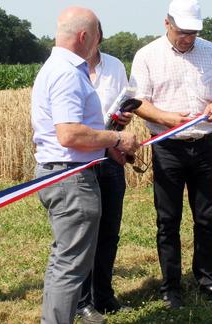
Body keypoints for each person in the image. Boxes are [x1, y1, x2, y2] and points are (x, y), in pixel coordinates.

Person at [31, 6, 140, 324]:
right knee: (70, 265)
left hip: (63, 175)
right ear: (84, 37)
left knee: (63, 259)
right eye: (95, 36)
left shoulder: (57, 67)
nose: (97, 43)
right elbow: (69, 133)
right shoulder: (67, 73)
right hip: (71, 179)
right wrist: (116, 139)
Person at [129, 0, 212, 308]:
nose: (188, 38)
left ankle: (207, 281)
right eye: (182, 32)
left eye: (193, 33)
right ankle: (170, 286)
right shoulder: (147, 55)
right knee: (168, 219)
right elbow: (137, 103)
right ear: (167, 23)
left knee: (206, 218)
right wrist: (167, 119)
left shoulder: (211, 51)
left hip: (203, 145)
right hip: (167, 148)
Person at [76, 22, 134, 323]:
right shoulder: (67, 68)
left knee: (109, 230)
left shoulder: (114, 66)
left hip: (111, 157)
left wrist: (123, 118)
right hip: (80, 160)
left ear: (99, 36)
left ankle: (104, 295)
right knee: (85, 232)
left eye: (94, 35)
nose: (90, 41)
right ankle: (81, 301)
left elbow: (123, 106)